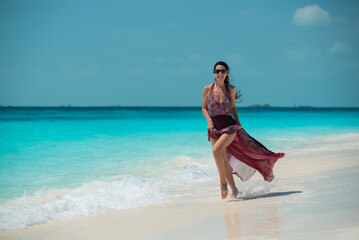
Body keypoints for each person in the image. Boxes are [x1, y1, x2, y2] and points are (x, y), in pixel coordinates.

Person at [202, 61, 285, 199]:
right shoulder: (207, 89)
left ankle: (222, 182)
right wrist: (209, 121)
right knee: (223, 159)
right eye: (217, 71)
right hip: (214, 127)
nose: (220, 74)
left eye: (222, 71)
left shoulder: (231, 90)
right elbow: (204, 107)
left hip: (229, 126)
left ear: (227, 73)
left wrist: (239, 122)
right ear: (213, 73)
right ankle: (234, 190)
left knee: (216, 150)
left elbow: (233, 107)